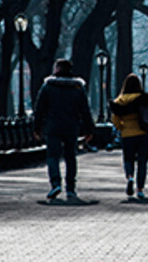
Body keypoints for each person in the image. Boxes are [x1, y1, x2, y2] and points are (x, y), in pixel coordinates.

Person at [33, 58, 95, 201]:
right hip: (71, 127)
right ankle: (71, 188)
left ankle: (55, 183)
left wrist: (37, 128)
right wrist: (89, 130)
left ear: (58, 69)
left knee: (53, 156)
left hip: (53, 127)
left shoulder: (48, 86)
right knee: (70, 157)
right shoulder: (78, 88)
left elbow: (39, 108)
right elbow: (85, 110)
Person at [110, 74, 148, 199]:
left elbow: (115, 120)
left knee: (128, 159)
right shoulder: (145, 99)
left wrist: (123, 128)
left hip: (128, 134)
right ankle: (140, 189)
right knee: (142, 162)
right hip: (144, 134)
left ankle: (130, 177)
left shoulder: (119, 101)